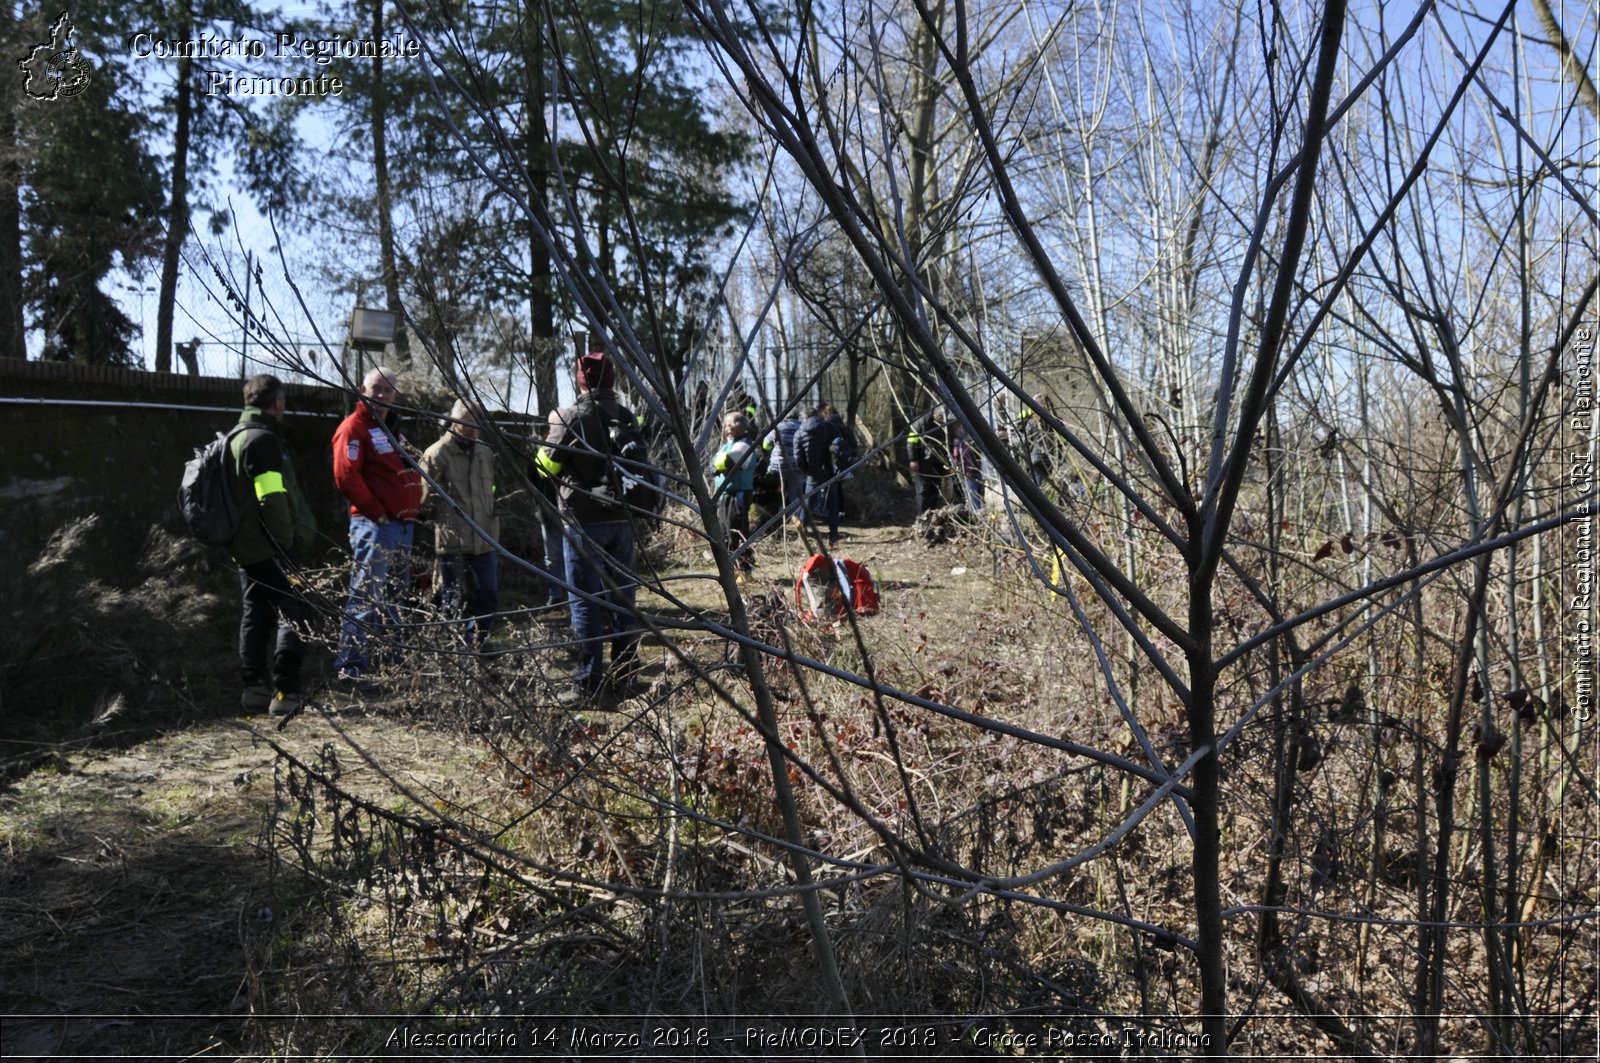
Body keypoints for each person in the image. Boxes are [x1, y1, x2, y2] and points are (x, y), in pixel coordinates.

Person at [536, 351, 643, 702]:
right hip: (623, 520)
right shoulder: (627, 417)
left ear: (581, 382)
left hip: (583, 521)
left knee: (585, 600)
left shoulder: (572, 418)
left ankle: (587, 681)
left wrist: (546, 443)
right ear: (611, 379)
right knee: (623, 597)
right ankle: (626, 673)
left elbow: (545, 468)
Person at [228, 374, 316, 716]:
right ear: (277, 403)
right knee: (293, 612)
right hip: (272, 544)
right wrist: (287, 540)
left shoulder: (234, 437)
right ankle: (285, 693)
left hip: (245, 545)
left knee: (256, 613)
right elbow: (272, 497)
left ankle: (253, 688)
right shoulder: (263, 440)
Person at [331, 366, 423, 690]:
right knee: (365, 596)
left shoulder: (390, 430)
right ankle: (351, 668)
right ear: (362, 390)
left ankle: (391, 665)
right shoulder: (354, 427)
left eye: (388, 390)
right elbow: (345, 476)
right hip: (376, 525)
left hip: (402, 524)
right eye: (376, 389)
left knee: (396, 599)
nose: (382, 396)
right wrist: (377, 512)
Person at [420, 399, 500, 660]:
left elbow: (490, 491)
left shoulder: (485, 452)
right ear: (455, 423)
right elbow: (424, 500)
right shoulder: (435, 454)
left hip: (484, 537)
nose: (475, 428)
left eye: (478, 422)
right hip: (452, 539)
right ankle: (456, 651)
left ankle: (480, 642)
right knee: (453, 597)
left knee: (488, 591)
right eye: (469, 423)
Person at [530, 410, 568, 620]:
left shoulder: (572, 445)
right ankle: (555, 597)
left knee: (572, 558)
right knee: (553, 558)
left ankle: (574, 597)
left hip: (570, 514)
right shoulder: (542, 449)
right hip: (548, 512)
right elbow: (533, 476)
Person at [711, 411, 760, 574]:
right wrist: (716, 463)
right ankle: (732, 567)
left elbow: (725, 461)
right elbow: (715, 462)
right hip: (726, 494)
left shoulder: (744, 444)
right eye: (725, 424)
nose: (726, 428)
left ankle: (745, 568)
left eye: (729, 424)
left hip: (738, 494)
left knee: (737, 532)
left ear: (740, 426)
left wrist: (717, 463)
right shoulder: (730, 443)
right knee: (726, 531)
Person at [793, 405, 843, 546]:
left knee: (807, 503)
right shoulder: (829, 427)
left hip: (813, 472)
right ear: (818, 415)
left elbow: (798, 457)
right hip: (830, 470)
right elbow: (839, 446)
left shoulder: (800, 432)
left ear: (804, 417)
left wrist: (807, 470)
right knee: (833, 503)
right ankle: (833, 535)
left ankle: (801, 534)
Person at [763, 408, 805, 524]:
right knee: (795, 494)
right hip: (798, 465)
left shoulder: (779, 427)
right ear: (797, 417)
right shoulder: (802, 427)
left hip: (778, 466)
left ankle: (776, 518)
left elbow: (766, 445)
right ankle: (794, 519)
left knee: (776, 492)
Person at [908, 409, 952, 516]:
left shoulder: (945, 424)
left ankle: (932, 516)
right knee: (923, 491)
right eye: (941, 416)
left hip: (938, 464)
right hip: (923, 463)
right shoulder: (920, 423)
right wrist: (913, 459)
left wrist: (948, 462)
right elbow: (911, 442)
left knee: (935, 491)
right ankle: (922, 516)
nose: (942, 419)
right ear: (934, 413)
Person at [950, 420, 985, 511]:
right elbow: (957, 455)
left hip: (976, 468)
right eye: (958, 428)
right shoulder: (957, 441)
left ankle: (981, 510)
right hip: (968, 471)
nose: (960, 429)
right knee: (973, 493)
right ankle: (976, 512)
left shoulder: (966, 438)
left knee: (980, 491)